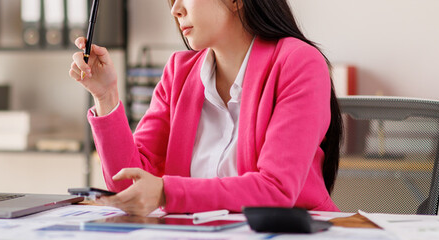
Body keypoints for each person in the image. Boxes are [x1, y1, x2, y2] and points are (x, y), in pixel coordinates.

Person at [68, 0, 342, 216]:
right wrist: (106, 96)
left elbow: (276, 190)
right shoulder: (178, 73)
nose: (175, 9)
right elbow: (128, 185)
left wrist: (166, 192)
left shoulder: (299, 63)